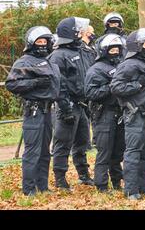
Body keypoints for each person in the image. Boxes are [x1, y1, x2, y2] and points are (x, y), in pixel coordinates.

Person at [110, 28, 145, 200]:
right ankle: (131, 190)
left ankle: (143, 187)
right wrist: (136, 86)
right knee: (133, 151)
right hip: (135, 114)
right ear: (137, 46)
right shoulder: (129, 64)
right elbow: (116, 87)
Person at [5, 26, 60, 196]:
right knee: (32, 152)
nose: (42, 44)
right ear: (32, 43)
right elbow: (12, 84)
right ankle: (29, 189)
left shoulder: (49, 60)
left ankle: (42, 187)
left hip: (48, 111)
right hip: (34, 111)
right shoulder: (24, 61)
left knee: (45, 151)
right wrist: (34, 83)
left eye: (45, 41)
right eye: (39, 41)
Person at [49, 17, 94, 190]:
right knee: (63, 143)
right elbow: (58, 85)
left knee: (82, 142)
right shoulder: (58, 55)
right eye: (79, 30)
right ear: (72, 32)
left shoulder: (82, 51)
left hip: (82, 105)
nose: (82, 32)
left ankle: (83, 174)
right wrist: (65, 108)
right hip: (67, 106)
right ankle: (60, 179)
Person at [84, 34, 126, 193]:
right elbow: (90, 92)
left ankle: (117, 182)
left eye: (117, 49)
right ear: (104, 50)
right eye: (111, 49)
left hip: (120, 113)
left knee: (118, 151)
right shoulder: (96, 69)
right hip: (103, 114)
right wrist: (111, 87)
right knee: (104, 151)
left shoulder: (122, 65)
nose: (115, 51)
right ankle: (101, 185)